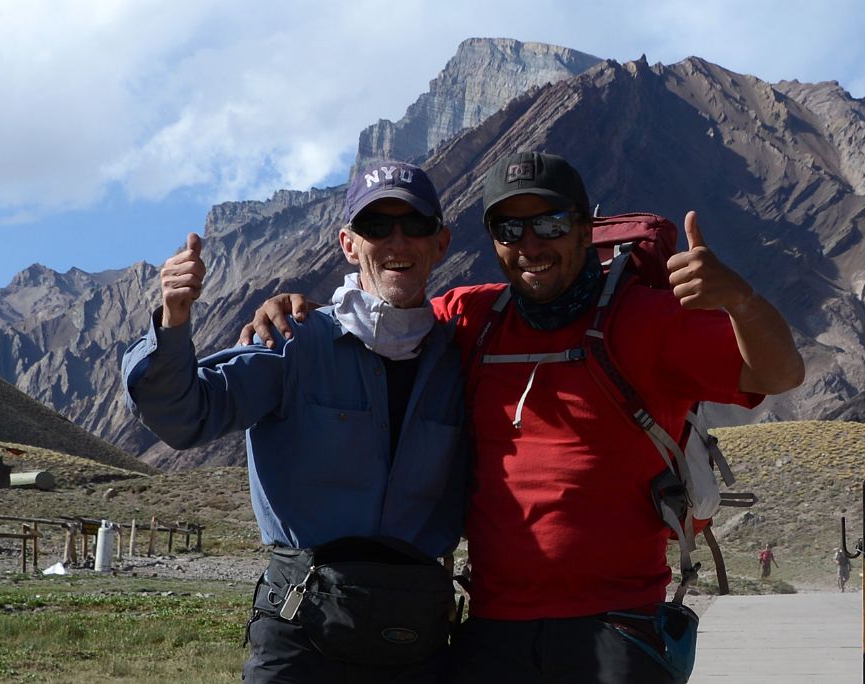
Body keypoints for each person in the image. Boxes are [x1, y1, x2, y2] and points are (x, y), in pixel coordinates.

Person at [241, 151, 805, 683]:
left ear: (586, 231)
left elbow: (780, 375)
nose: (531, 244)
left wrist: (740, 299)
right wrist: (304, 311)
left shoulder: (651, 319)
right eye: (510, 229)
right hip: (494, 631)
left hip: (615, 625)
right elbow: (383, 317)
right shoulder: (472, 317)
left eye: (551, 224)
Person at [121, 160, 469, 683]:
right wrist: (173, 318)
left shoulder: (461, 360)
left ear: (440, 243)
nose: (397, 241)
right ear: (349, 244)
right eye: (376, 227)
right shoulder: (294, 343)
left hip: (416, 637)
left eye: (414, 225)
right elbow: (183, 415)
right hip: (301, 631)